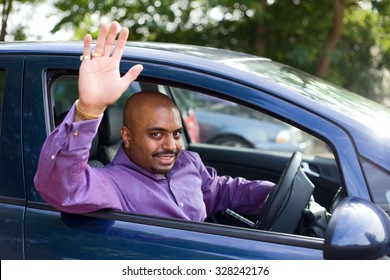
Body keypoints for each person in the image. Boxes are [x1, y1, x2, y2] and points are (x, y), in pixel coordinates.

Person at [34, 21, 274, 222]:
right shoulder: (113, 184)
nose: (171, 145)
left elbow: (221, 191)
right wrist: (89, 109)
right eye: (157, 134)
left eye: (177, 134)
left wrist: (273, 194)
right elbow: (63, 189)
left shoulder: (188, 163)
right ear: (126, 136)